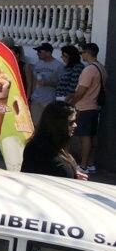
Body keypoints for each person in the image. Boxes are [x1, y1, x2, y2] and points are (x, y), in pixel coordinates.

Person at [68, 42, 107, 174]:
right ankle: (90, 164)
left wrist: (71, 101)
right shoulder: (101, 67)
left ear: (87, 53)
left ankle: (83, 165)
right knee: (91, 136)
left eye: (81, 52)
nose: (81, 55)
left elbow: (81, 91)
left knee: (85, 137)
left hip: (85, 107)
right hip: (95, 106)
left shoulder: (89, 69)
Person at [21, 101, 84, 179]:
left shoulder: (57, 144)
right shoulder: (38, 150)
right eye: (71, 122)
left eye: (75, 121)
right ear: (58, 124)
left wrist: (74, 175)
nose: (75, 125)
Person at [29, 43, 64, 125]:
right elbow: (34, 81)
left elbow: (62, 85)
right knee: (35, 124)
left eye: (40, 51)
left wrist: (49, 83)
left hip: (50, 101)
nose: (37, 53)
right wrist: (31, 95)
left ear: (48, 53)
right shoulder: (38, 64)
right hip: (36, 100)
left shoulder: (59, 66)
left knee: (49, 125)